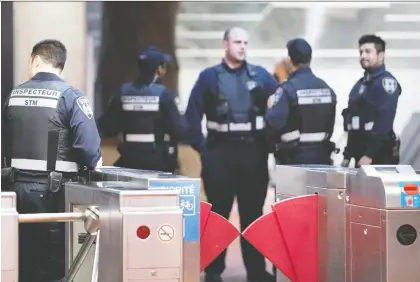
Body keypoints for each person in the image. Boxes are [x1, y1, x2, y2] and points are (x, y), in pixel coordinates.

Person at [1, 39, 102, 282]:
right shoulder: (70, 97)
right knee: (51, 261)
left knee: (18, 257)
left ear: (35, 60)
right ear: (61, 65)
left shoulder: (13, 95)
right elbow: (88, 149)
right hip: (52, 195)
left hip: (12, 193)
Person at [185, 27, 278, 282]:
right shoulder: (209, 77)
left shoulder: (261, 76)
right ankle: (213, 272)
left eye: (246, 42)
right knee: (218, 217)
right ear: (225, 44)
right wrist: (204, 150)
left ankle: (256, 273)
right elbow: (191, 116)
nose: (242, 46)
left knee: (252, 215)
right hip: (220, 155)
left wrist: (270, 144)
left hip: (253, 155)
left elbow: (282, 106)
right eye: (237, 41)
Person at [97, 46, 187, 173]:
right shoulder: (166, 96)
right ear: (159, 69)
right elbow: (180, 131)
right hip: (160, 164)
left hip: (129, 162)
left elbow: (108, 127)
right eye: (164, 66)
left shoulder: (123, 93)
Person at [266, 38, 337, 165]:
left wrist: (269, 108)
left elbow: (273, 123)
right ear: (310, 59)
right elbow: (330, 127)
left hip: (294, 160)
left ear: (289, 60)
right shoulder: (327, 89)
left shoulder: (287, 90)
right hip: (322, 159)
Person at [341, 34, 401, 167]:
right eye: (361, 52)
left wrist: (370, 155)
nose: (363, 56)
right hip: (359, 152)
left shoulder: (386, 83)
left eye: (368, 52)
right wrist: (347, 155)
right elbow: (353, 121)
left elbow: (384, 121)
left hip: (378, 155)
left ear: (381, 55)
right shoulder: (360, 85)